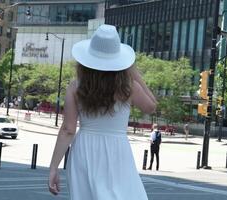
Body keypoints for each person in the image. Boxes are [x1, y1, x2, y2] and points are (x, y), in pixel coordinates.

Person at [48, 24, 157, 200]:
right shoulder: (129, 87)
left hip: (85, 150)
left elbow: (68, 129)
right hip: (117, 150)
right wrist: (134, 74)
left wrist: (54, 167)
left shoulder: (76, 87)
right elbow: (151, 106)